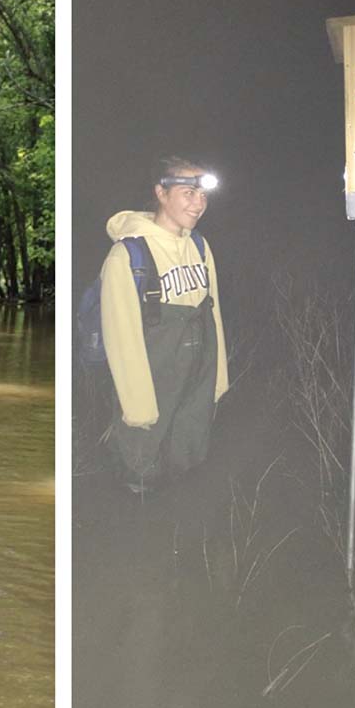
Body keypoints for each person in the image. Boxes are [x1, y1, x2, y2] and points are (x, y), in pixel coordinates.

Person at [100, 157, 229, 493]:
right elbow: (121, 339)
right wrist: (140, 410)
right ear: (161, 192)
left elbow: (212, 316)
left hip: (195, 382)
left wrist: (217, 379)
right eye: (188, 193)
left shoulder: (200, 247)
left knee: (186, 470)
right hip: (149, 386)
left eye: (202, 196)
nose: (198, 203)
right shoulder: (128, 256)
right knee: (140, 477)